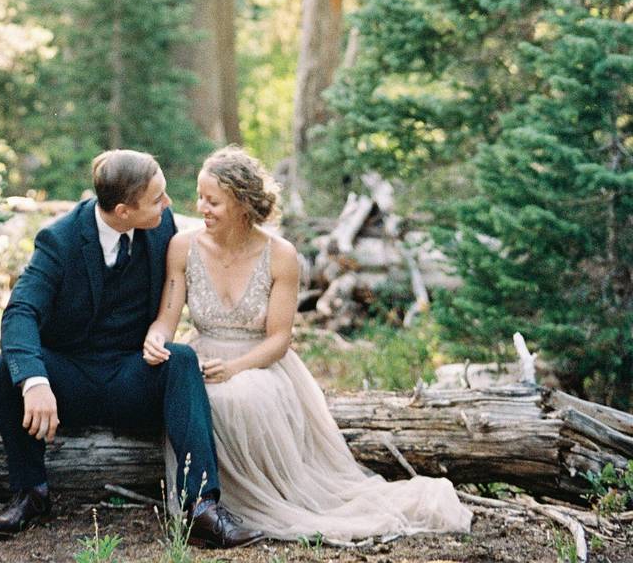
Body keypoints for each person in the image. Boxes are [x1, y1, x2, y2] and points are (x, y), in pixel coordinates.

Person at [143, 147, 473, 541]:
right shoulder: (184, 247)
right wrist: (155, 338)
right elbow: (166, 318)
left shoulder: (280, 255)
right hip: (202, 356)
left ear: (242, 203)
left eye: (212, 201)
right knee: (194, 398)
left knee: (238, 398)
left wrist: (235, 368)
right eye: (200, 198)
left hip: (259, 363)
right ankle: (208, 508)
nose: (201, 208)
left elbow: (280, 339)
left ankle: (259, 502)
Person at [0, 149, 263, 548]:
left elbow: (201, 260)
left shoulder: (160, 222)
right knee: (4, 368)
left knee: (181, 359)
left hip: (133, 375)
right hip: (72, 381)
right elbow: (20, 311)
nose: (168, 205)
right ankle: (31, 494)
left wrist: (158, 332)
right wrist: (34, 382)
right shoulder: (59, 240)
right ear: (122, 211)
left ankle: (201, 507)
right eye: (157, 198)